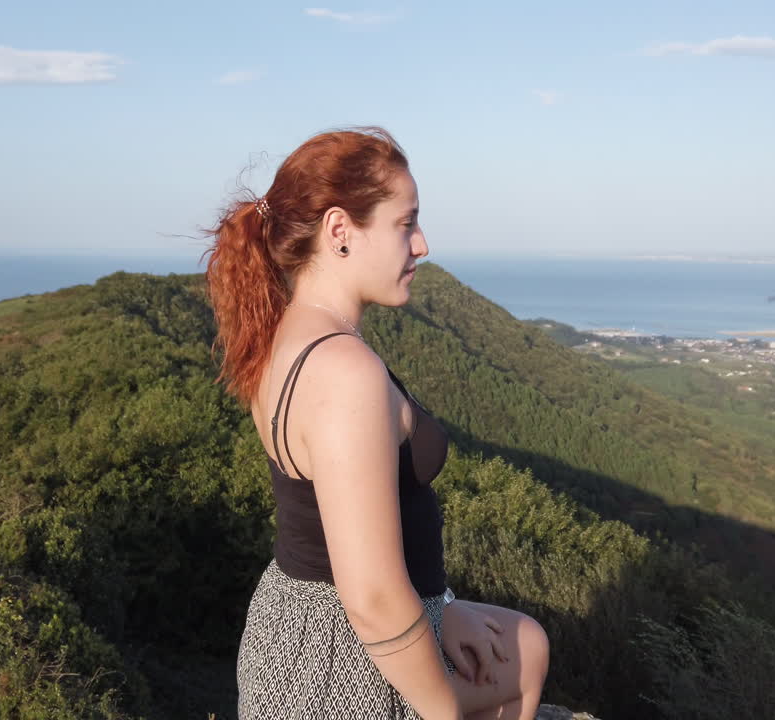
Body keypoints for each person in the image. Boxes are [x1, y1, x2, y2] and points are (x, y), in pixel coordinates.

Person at [204, 127, 549, 720]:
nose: (422, 244)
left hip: (300, 623)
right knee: (524, 656)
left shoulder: (285, 336)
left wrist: (439, 606)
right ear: (340, 231)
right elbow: (370, 599)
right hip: (341, 662)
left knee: (522, 640)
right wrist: (440, 709)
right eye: (405, 223)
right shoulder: (343, 372)